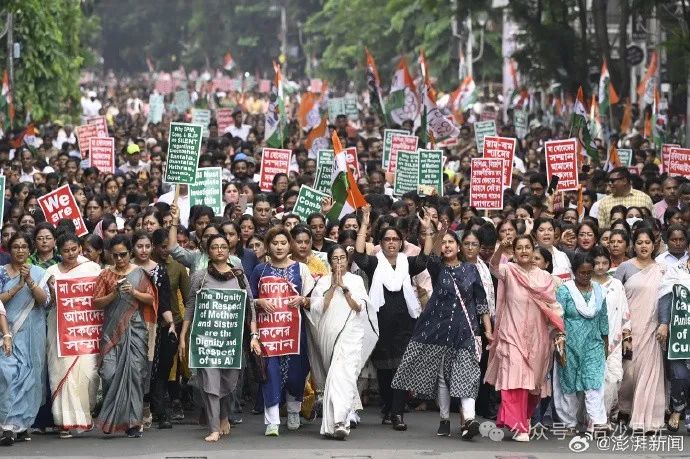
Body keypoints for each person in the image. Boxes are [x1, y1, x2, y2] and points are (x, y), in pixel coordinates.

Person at [392, 229, 491, 440]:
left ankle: (470, 420)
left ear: (459, 246)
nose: (447, 245)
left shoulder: (471, 270)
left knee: (467, 374)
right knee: (444, 377)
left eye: (450, 242)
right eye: (444, 243)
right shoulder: (437, 269)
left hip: (466, 330)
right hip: (440, 330)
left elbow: (481, 302)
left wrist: (488, 330)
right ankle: (445, 419)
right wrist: (435, 232)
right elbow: (429, 255)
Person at [353, 204, 434, 431]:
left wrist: (427, 229)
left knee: (401, 369)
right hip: (380, 326)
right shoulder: (374, 263)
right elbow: (359, 255)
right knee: (385, 372)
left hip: (405, 325)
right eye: (387, 239)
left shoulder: (407, 264)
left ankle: (397, 414)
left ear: (401, 243)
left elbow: (425, 257)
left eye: (395, 240)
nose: (391, 243)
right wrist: (364, 224)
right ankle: (388, 409)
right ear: (381, 243)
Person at [179, 234, 258, 442]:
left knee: (229, 382)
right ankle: (213, 427)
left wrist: (254, 335)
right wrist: (183, 335)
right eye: (215, 247)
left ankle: (224, 416)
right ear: (208, 251)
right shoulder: (200, 276)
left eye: (224, 246)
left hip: (231, 340)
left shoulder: (239, 276)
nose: (220, 250)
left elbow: (250, 305)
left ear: (229, 249)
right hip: (206, 340)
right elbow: (190, 306)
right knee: (211, 382)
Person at [485, 234, 564, 442]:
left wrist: (558, 331)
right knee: (514, 379)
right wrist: (501, 249)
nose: (523, 251)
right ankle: (519, 425)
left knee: (532, 385)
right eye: (519, 248)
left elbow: (553, 307)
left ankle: (523, 417)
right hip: (511, 334)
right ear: (514, 251)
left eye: (527, 247)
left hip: (538, 338)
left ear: (533, 249)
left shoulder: (545, 278)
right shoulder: (509, 271)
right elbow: (493, 266)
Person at [249, 226, 315, 436]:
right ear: (268, 246)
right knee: (271, 374)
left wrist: (303, 300)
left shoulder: (301, 269)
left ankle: (294, 410)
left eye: (283, 243)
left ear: (290, 245)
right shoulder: (260, 270)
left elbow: (316, 300)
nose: (279, 247)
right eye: (275, 243)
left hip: (295, 333)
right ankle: (273, 420)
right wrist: (259, 301)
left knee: (296, 373)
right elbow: (248, 299)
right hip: (268, 334)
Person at [93, 235, 156, 437]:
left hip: (135, 330)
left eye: (123, 255)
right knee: (110, 374)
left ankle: (133, 423)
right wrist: (113, 293)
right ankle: (114, 419)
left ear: (130, 254)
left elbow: (151, 298)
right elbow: (96, 302)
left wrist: (134, 292)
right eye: (115, 255)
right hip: (111, 332)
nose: (119, 259)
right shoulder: (105, 275)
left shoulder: (139, 273)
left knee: (135, 375)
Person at [308, 245, 371, 439]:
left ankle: (340, 422)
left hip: (350, 335)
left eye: (342, 258)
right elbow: (318, 309)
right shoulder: (322, 282)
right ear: (329, 261)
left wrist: (344, 289)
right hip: (329, 335)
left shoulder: (356, 280)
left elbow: (359, 307)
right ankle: (333, 423)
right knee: (334, 378)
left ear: (347, 260)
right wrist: (332, 287)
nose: (339, 262)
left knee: (343, 377)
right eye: (335, 258)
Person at [43, 233, 101, 439]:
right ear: (59, 251)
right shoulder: (51, 272)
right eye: (66, 251)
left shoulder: (92, 269)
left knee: (87, 373)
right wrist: (51, 291)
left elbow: (100, 295)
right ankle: (65, 422)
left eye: (74, 249)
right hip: (60, 330)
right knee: (61, 373)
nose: (70, 254)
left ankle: (85, 418)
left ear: (80, 248)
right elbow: (46, 304)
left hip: (85, 330)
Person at [614, 227, 666, 432]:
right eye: (639, 242)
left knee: (649, 373)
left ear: (654, 245)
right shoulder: (625, 268)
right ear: (633, 245)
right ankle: (624, 410)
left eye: (647, 242)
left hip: (653, 329)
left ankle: (648, 420)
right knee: (629, 374)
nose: (643, 246)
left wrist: (665, 323)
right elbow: (615, 297)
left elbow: (666, 299)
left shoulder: (662, 269)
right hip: (628, 328)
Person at [0, 233, 49, 445]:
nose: (20, 250)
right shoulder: (1, 273)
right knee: (8, 373)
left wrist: (28, 281)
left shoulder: (39, 273)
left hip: (32, 332)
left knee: (29, 379)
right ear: (9, 250)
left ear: (30, 250)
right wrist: (17, 286)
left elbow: (43, 301)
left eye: (24, 247)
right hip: (5, 332)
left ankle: (16, 426)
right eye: (16, 247)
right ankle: (8, 422)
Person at [553, 253, 609, 433]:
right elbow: (557, 317)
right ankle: (569, 422)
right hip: (569, 344)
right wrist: (559, 342)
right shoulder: (565, 291)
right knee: (569, 385)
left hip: (593, 344)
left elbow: (603, 318)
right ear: (574, 272)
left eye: (588, 273)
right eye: (581, 273)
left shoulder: (599, 291)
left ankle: (598, 422)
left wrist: (605, 342)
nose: (585, 276)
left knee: (594, 383)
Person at [130, 231, 176, 430]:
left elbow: (164, 301)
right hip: (128, 323)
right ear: (133, 247)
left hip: (152, 325)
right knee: (130, 367)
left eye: (147, 246)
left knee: (150, 368)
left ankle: (149, 407)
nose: (144, 250)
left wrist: (171, 323)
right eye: (139, 246)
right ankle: (130, 411)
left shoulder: (159, 270)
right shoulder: (125, 268)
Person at [591, 246, 631, 419]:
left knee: (614, 378)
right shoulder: (585, 283)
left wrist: (627, 336)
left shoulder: (616, 284)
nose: (600, 266)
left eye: (604, 263)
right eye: (597, 263)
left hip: (614, 339)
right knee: (593, 380)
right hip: (590, 339)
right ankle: (594, 418)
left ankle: (604, 414)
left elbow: (624, 311)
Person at [656, 248, 690, 432]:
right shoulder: (676, 271)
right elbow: (665, 297)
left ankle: (686, 413)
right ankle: (677, 407)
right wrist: (663, 323)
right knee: (679, 375)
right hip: (680, 331)